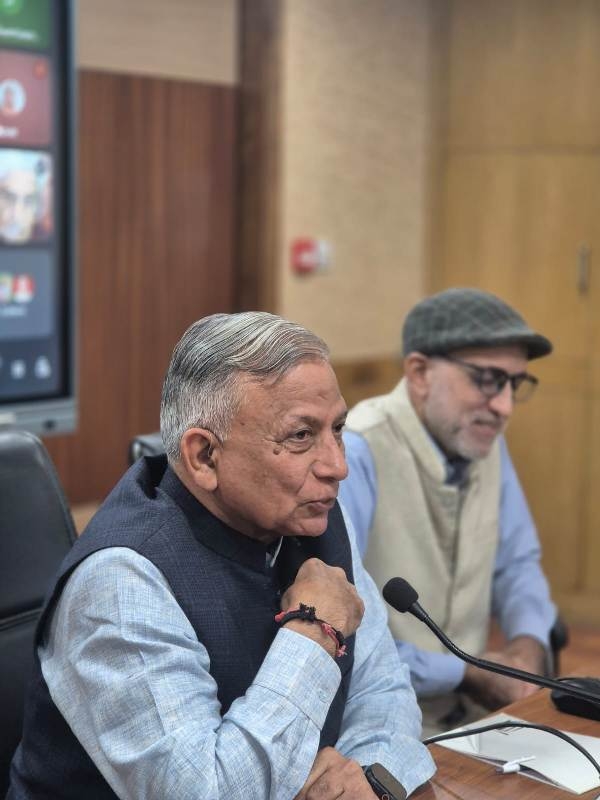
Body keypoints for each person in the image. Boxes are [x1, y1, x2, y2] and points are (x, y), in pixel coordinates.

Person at [8, 312, 435, 799]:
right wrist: (316, 630)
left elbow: (383, 693)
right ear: (204, 456)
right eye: (300, 436)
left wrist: (367, 778)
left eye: (337, 429)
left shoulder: (313, 515)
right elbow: (205, 792)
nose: (337, 466)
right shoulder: (120, 582)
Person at [338, 287, 557, 737]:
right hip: (377, 730)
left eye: (515, 383)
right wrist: (463, 673)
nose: (504, 407)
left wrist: (528, 644)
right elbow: (338, 631)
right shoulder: (356, 453)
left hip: (476, 721)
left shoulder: (483, 439)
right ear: (420, 373)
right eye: (488, 379)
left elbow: (518, 564)